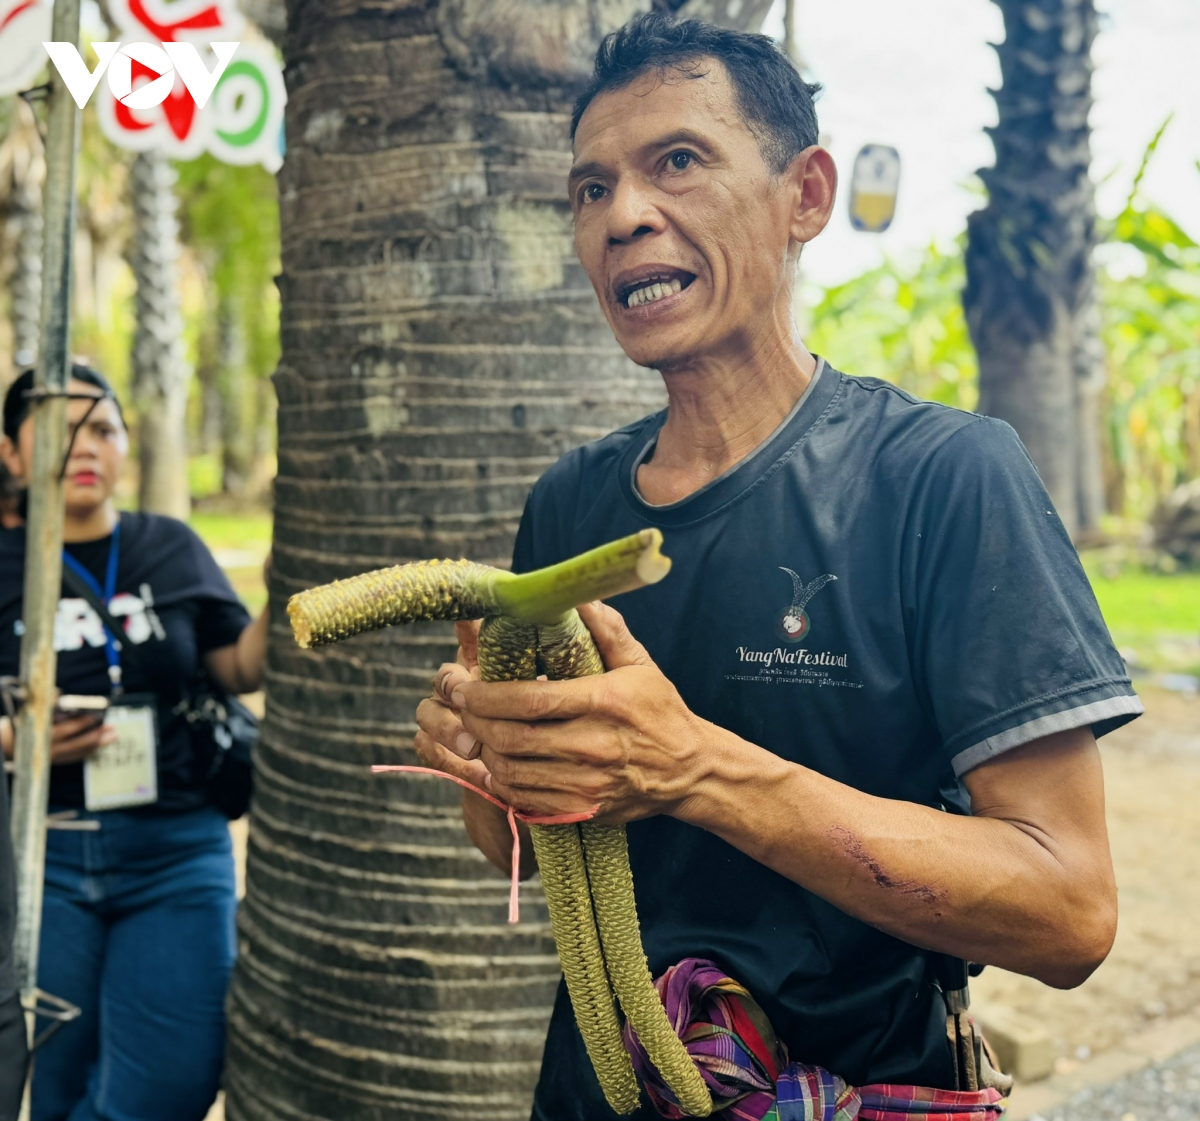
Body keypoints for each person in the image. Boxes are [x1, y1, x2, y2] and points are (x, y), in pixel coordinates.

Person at [413, 14, 1142, 1121]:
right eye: (590, 188)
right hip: (605, 1088)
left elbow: (1069, 910)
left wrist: (696, 767)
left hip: (851, 1084)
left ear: (805, 196)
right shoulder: (570, 504)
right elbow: (530, 842)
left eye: (678, 163)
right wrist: (492, 764)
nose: (624, 216)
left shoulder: (942, 476)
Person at [0, 366, 268, 1121]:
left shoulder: (167, 547)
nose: (87, 446)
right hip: (40, 857)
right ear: (12, 454)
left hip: (177, 851)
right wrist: (17, 739)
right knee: (54, 1085)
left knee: (172, 1082)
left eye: (104, 429)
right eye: (60, 430)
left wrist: (282, 596)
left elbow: (238, 667)